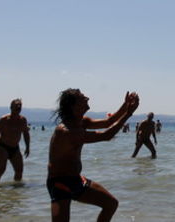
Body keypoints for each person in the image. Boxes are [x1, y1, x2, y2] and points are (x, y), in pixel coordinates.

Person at [47, 89, 138, 222]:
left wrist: (125, 104)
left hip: (76, 180)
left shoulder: (82, 121)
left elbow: (109, 122)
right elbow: (106, 135)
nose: (88, 98)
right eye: (83, 97)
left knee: (111, 204)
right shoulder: (67, 131)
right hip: (60, 184)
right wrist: (128, 113)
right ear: (74, 106)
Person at [0, 99, 31, 183]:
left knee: (19, 171)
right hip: (3, 146)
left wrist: (27, 147)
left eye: (20, 105)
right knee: (1, 170)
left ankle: (15, 192)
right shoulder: (4, 119)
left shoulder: (23, 120)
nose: (18, 107)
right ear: (11, 107)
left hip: (15, 148)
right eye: (16, 105)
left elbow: (26, 134)